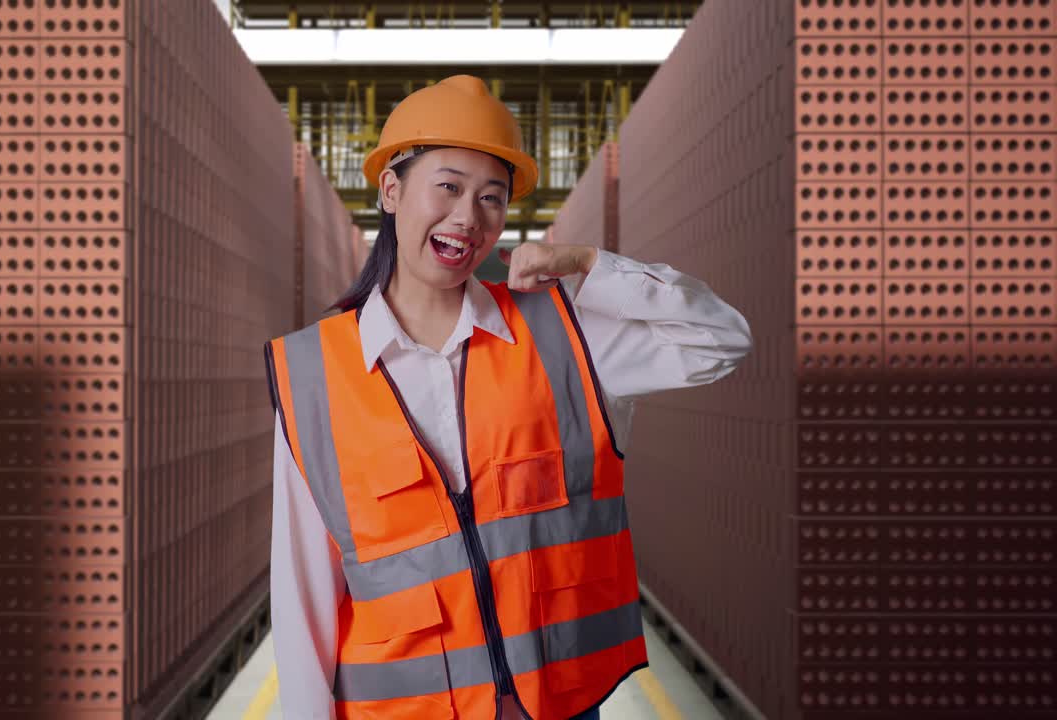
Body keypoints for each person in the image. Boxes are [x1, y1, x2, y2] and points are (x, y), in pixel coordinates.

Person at [263, 75, 753, 720]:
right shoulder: (312, 371)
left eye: (491, 198)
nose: (468, 217)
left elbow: (720, 339)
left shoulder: (564, 337)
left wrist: (590, 265)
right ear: (390, 190)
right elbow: (303, 587)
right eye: (448, 186)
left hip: (554, 706)